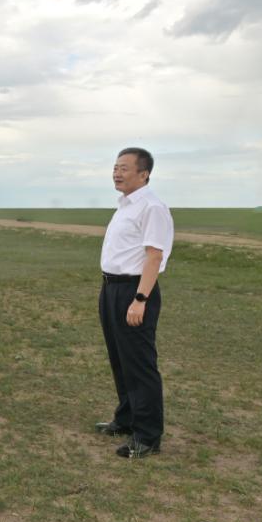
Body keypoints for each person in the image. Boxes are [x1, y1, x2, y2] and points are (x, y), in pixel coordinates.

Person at [96, 147, 174, 459]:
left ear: (144, 174)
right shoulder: (125, 206)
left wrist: (140, 299)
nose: (117, 172)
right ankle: (127, 418)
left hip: (135, 291)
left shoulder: (151, 207)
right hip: (112, 289)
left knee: (139, 364)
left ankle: (148, 436)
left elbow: (154, 256)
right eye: (115, 167)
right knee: (120, 359)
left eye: (125, 168)